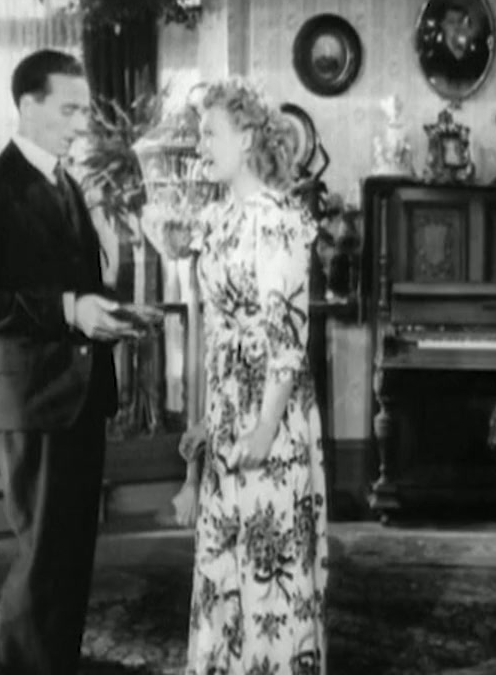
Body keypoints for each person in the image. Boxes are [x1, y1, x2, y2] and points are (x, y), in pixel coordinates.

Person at [0, 49, 141, 675]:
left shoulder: (67, 184)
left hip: (79, 394)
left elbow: (73, 290)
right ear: (28, 106)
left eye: (85, 111)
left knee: (73, 552)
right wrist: (68, 309)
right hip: (31, 398)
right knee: (43, 553)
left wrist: (109, 314)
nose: (81, 124)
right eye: (69, 110)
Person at [170, 78, 328, 674]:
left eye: (209, 133)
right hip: (228, 409)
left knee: (269, 569)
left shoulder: (279, 221)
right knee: (222, 565)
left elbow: (287, 336)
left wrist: (264, 427)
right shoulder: (217, 221)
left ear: (245, 138)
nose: (201, 145)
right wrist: (205, 423)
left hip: (272, 414)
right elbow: (214, 334)